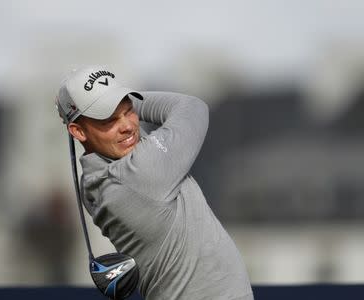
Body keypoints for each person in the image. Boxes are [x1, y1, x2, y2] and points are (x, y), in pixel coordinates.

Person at [56, 65, 254, 300]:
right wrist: (126, 100)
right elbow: (192, 108)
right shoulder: (140, 173)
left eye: (129, 111)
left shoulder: (92, 181)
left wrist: (109, 100)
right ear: (78, 131)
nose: (129, 125)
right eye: (109, 119)